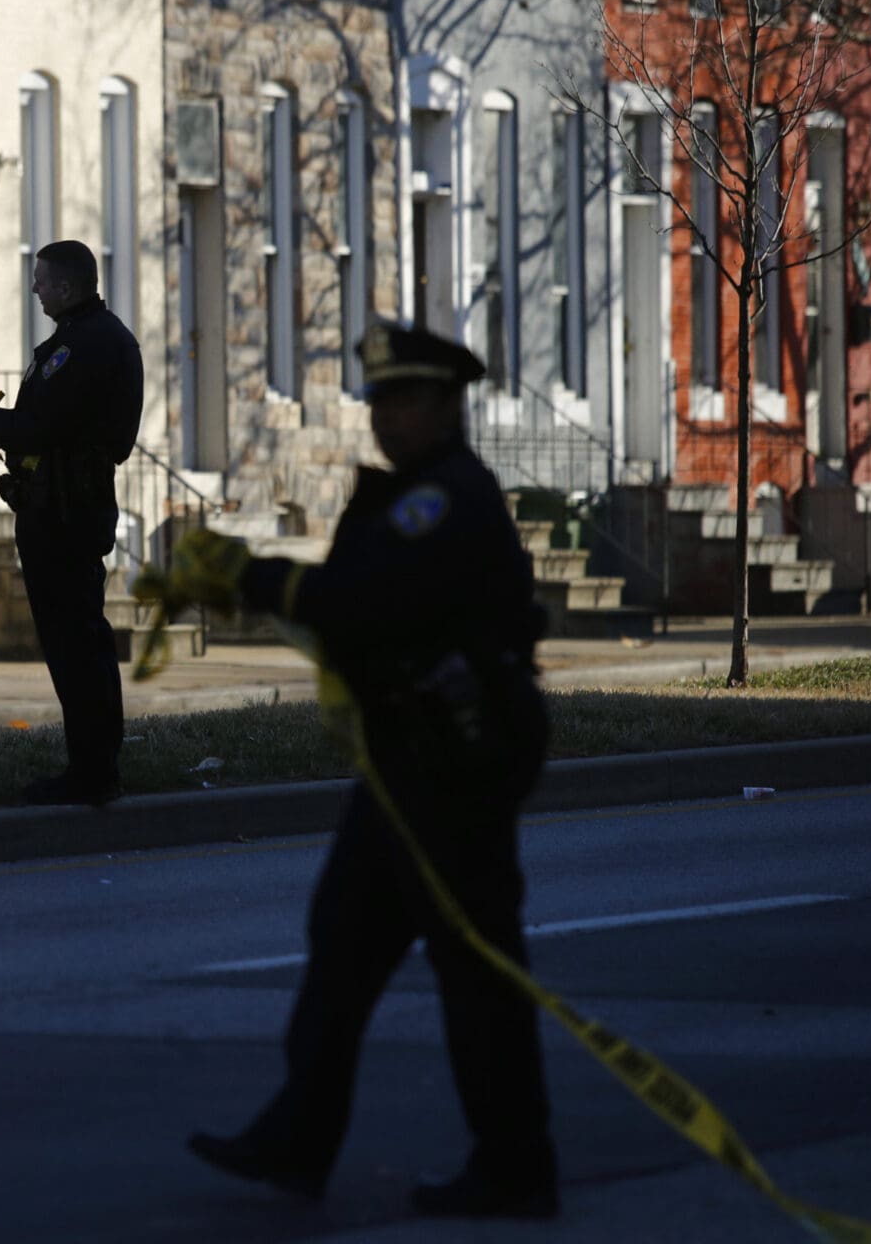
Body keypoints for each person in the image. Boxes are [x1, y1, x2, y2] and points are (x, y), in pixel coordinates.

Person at [169, 321, 558, 1218]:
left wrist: (247, 575)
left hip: (452, 772)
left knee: (478, 977)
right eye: (376, 400)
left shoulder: (445, 499)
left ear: (440, 405)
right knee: (341, 948)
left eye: (398, 400)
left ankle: (515, 1168)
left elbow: (358, 605)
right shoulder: (411, 492)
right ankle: (296, 1142)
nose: (381, 417)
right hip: (406, 769)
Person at [0, 240, 143, 806]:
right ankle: (92, 766)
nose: (34, 289)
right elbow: (45, 426)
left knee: (76, 643)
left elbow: (43, 424)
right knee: (75, 641)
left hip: (66, 512)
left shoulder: (88, 345)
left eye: (41, 280)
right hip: (57, 505)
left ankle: (93, 773)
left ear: (66, 285)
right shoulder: (86, 339)